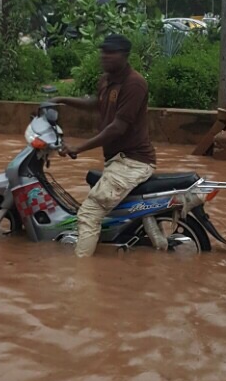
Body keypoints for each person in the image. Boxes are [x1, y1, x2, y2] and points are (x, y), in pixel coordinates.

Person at [54, 34, 156, 258]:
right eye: (103, 51)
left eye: (111, 52)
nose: (105, 56)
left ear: (125, 55)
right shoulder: (107, 80)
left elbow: (117, 127)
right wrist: (61, 100)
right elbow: (94, 104)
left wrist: (78, 148)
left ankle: (81, 272)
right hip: (119, 161)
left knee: (89, 214)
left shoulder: (134, 83)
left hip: (133, 162)